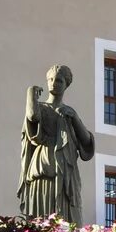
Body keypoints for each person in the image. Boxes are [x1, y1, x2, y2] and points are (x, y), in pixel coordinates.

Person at [18, 64, 94, 223]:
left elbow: (87, 143)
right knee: (41, 215)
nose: (53, 83)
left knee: (65, 215)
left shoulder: (69, 112)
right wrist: (30, 94)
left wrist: (74, 118)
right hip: (43, 167)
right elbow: (32, 117)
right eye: (50, 79)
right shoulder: (41, 108)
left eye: (59, 80)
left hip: (66, 169)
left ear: (66, 84)